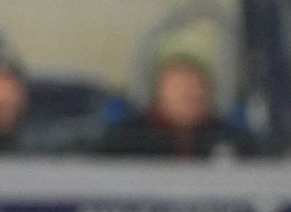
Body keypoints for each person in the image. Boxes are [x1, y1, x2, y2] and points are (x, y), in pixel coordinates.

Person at [93, 53, 257, 158]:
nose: (189, 93)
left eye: (196, 85)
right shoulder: (125, 140)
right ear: (158, 92)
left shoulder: (234, 140)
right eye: (179, 85)